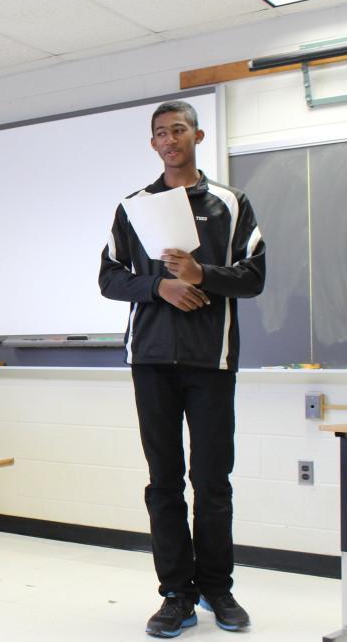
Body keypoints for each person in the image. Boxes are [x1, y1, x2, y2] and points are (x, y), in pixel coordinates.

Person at [99, 100, 266, 638]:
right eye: (159, 133)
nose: (169, 139)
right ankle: (176, 594)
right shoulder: (132, 207)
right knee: (164, 483)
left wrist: (202, 273)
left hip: (210, 361)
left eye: (178, 130)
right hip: (149, 360)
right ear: (152, 145)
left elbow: (254, 276)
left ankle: (219, 588)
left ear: (197, 134)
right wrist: (159, 286)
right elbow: (107, 278)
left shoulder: (231, 203)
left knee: (213, 481)